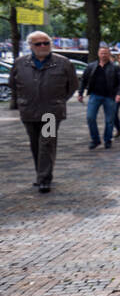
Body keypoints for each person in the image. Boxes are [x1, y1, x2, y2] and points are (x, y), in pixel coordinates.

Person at [10, 31, 79, 193]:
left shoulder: (63, 63)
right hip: (29, 111)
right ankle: (41, 173)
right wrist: (23, 100)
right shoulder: (20, 63)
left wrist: (59, 101)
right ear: (31, 46)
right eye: (38, 44)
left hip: (51, 112)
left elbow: (72, 86)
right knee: (35, 144)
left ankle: (44, 179)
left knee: (46, 143)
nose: (42, 46)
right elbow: (13, 84)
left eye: (46, 43)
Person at [77, 43, 120, 149]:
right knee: (90, 117)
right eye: (102, 53)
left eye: (105, 53)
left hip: (110, 96)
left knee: (109, 120)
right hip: (95, 95)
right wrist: (80, 93)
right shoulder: (91, 66)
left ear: (109, 54)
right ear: (98, 54)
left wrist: (119, 94)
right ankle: (95, 140)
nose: (103, 55)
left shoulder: (115, 67)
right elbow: (84, 80)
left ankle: (107, 139)